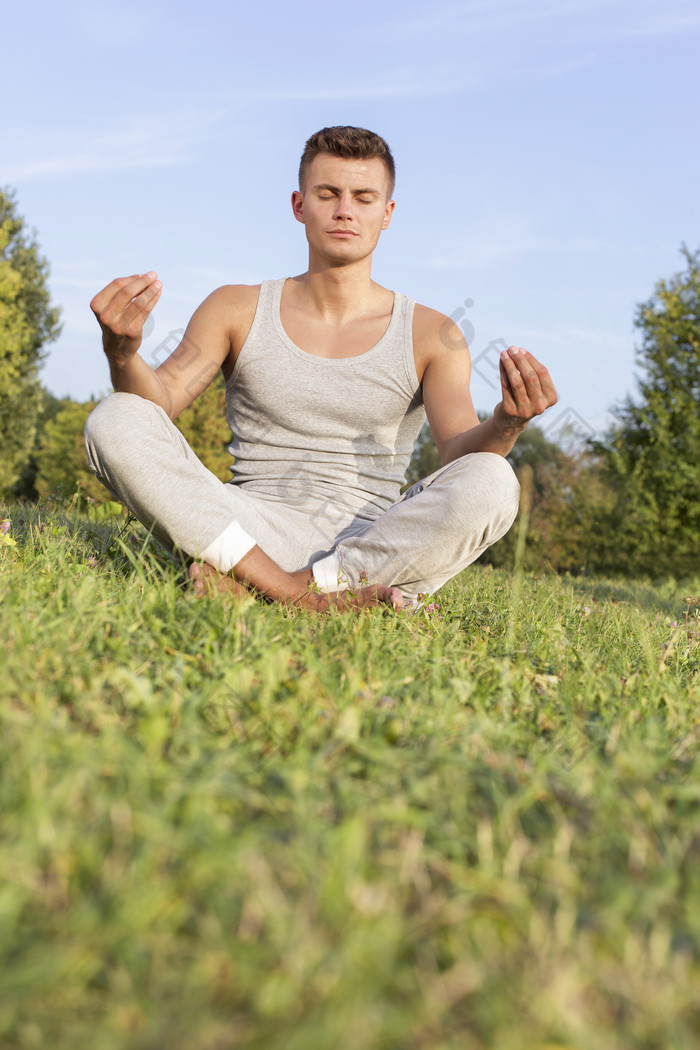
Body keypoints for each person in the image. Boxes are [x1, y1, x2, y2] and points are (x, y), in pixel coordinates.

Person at [85, 126, 557, 613]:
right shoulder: (236, 307)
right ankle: (300, 597)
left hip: (370, 544)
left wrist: (506, 423)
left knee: (494, 479)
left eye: (364, 197)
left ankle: (266, 586)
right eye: (327, 193)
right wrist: (122, 353)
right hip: (246, 526)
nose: (344, 210)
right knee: (115, 417)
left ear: (387, 213)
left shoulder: (432, 333)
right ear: (298, 204)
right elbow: (156, 406)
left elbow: (459, 454)